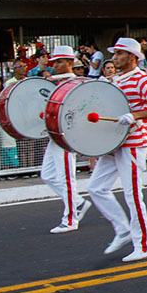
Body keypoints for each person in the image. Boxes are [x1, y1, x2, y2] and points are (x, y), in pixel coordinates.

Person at [86, 38, 147, 263]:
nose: (115, 58)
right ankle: (123, 230)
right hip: (114, 144)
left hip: (133, 144)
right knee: (96, 188)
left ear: (132, 57)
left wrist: (135, 116)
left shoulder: (142, 79)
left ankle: (144, 244)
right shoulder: (117, 79)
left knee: (133, 195)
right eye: (115, 53)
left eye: (119, 54)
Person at [42, 47, 93, 233]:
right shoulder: (55, 83)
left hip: (66, 135)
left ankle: (71, 218)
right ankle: (78, 202)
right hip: (54, 134)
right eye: (54, 62)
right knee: (47, 175)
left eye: (59, 62)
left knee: (66, 177)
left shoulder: (75, 84)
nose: (55, 65)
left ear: (70, 63)